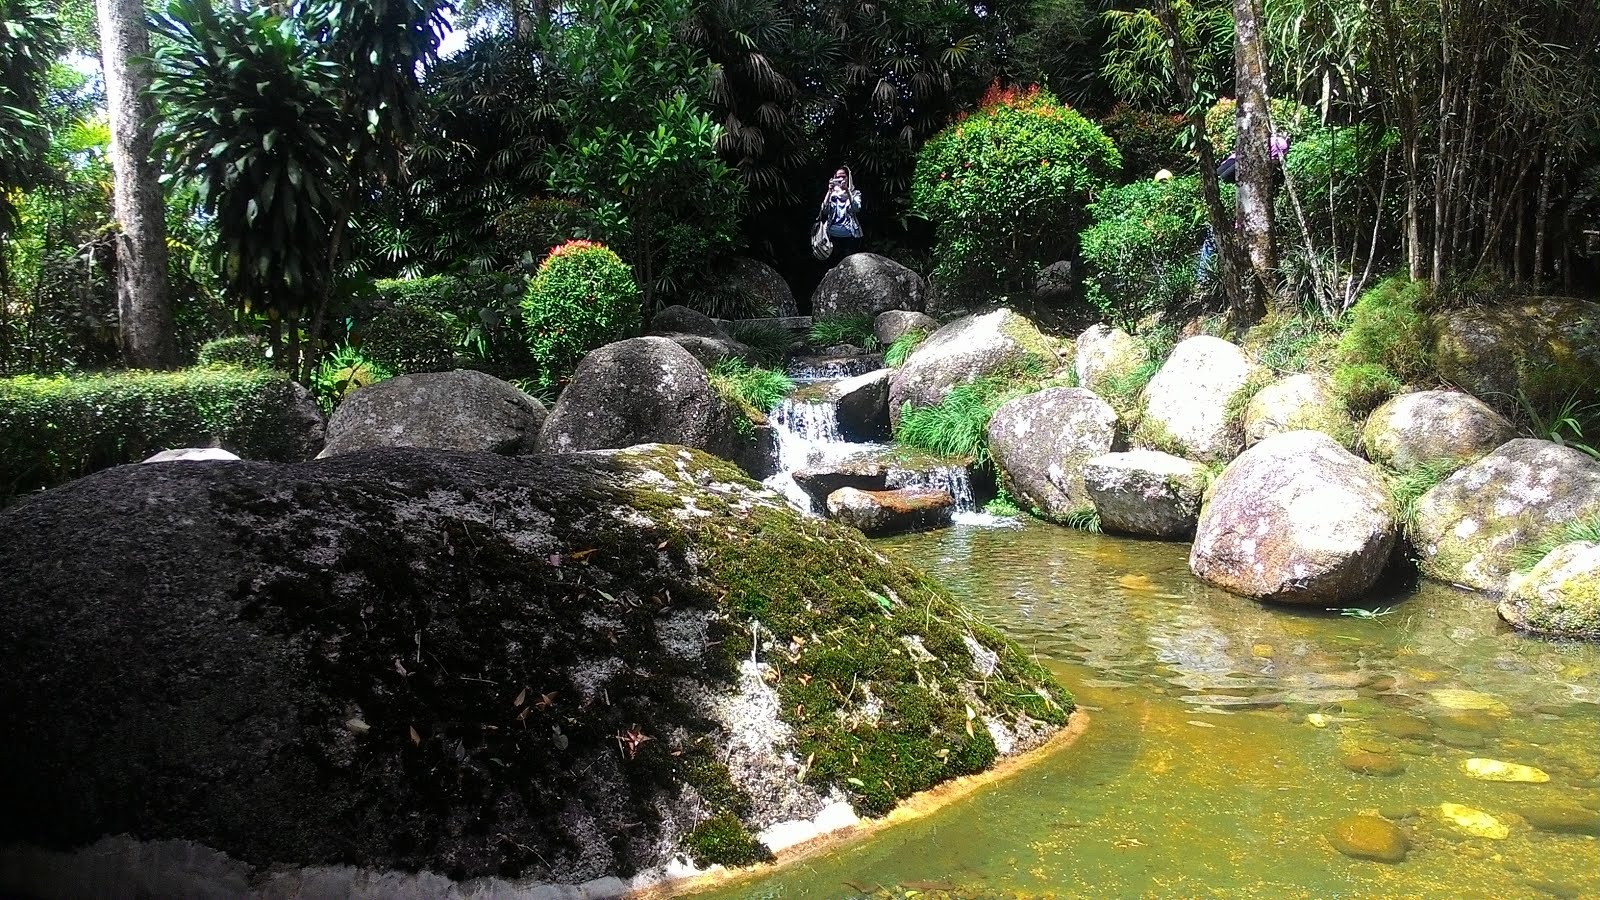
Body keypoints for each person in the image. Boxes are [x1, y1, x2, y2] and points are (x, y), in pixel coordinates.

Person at [811, 166, 862, 260]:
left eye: (844, 176)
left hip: (850, 236)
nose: (841, 179)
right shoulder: (832, 194)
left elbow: (856, 208)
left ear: (849, 178)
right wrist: (829, 192)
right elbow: (824, 211)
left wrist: (847, 191)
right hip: (832, 236)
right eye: (838, 177)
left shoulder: (855, 193)